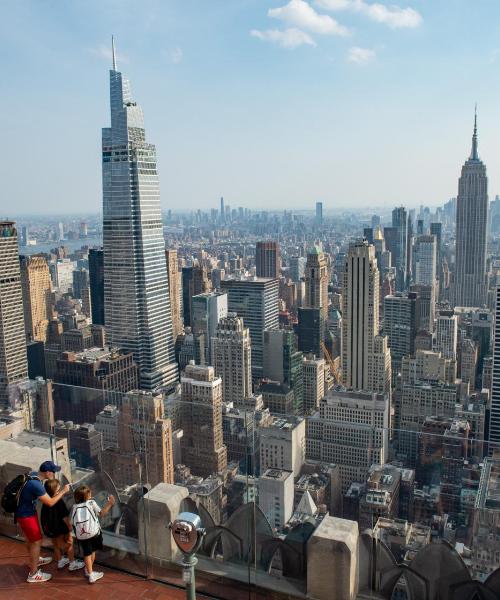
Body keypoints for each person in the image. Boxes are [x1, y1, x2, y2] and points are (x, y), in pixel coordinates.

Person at [15, 461, 71, 583]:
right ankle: (33, 573)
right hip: (26, 515)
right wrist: (63, 491)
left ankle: (35, 559)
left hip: (23, 512)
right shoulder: (36, 484)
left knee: (30, 539)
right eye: (53, 472)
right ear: (47, 473)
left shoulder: (33, 475)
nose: (54, 474)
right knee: (36, 541)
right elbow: (50, 502)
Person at [71, 485, 115, 584]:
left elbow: (72, 522)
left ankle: (89, 571)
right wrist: (110, 503)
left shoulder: (74, 507)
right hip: (93, 533)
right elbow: (102, 513)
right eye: (89, 493)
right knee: (93, 551)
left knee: (86, 553)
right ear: (87, 496)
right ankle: (90, 574)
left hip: (81, 535)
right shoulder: (91, 503)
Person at [40, 479, 85, 572]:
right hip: (60, 528)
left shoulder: (46, 500)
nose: (60, 488)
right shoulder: (59, 502)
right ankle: (72, 563)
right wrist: (69, 526)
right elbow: (64, 517)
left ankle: (60, 561)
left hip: (51, 528)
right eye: (58, 487)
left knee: (55, 544)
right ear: (55, 490)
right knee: (69, 544)